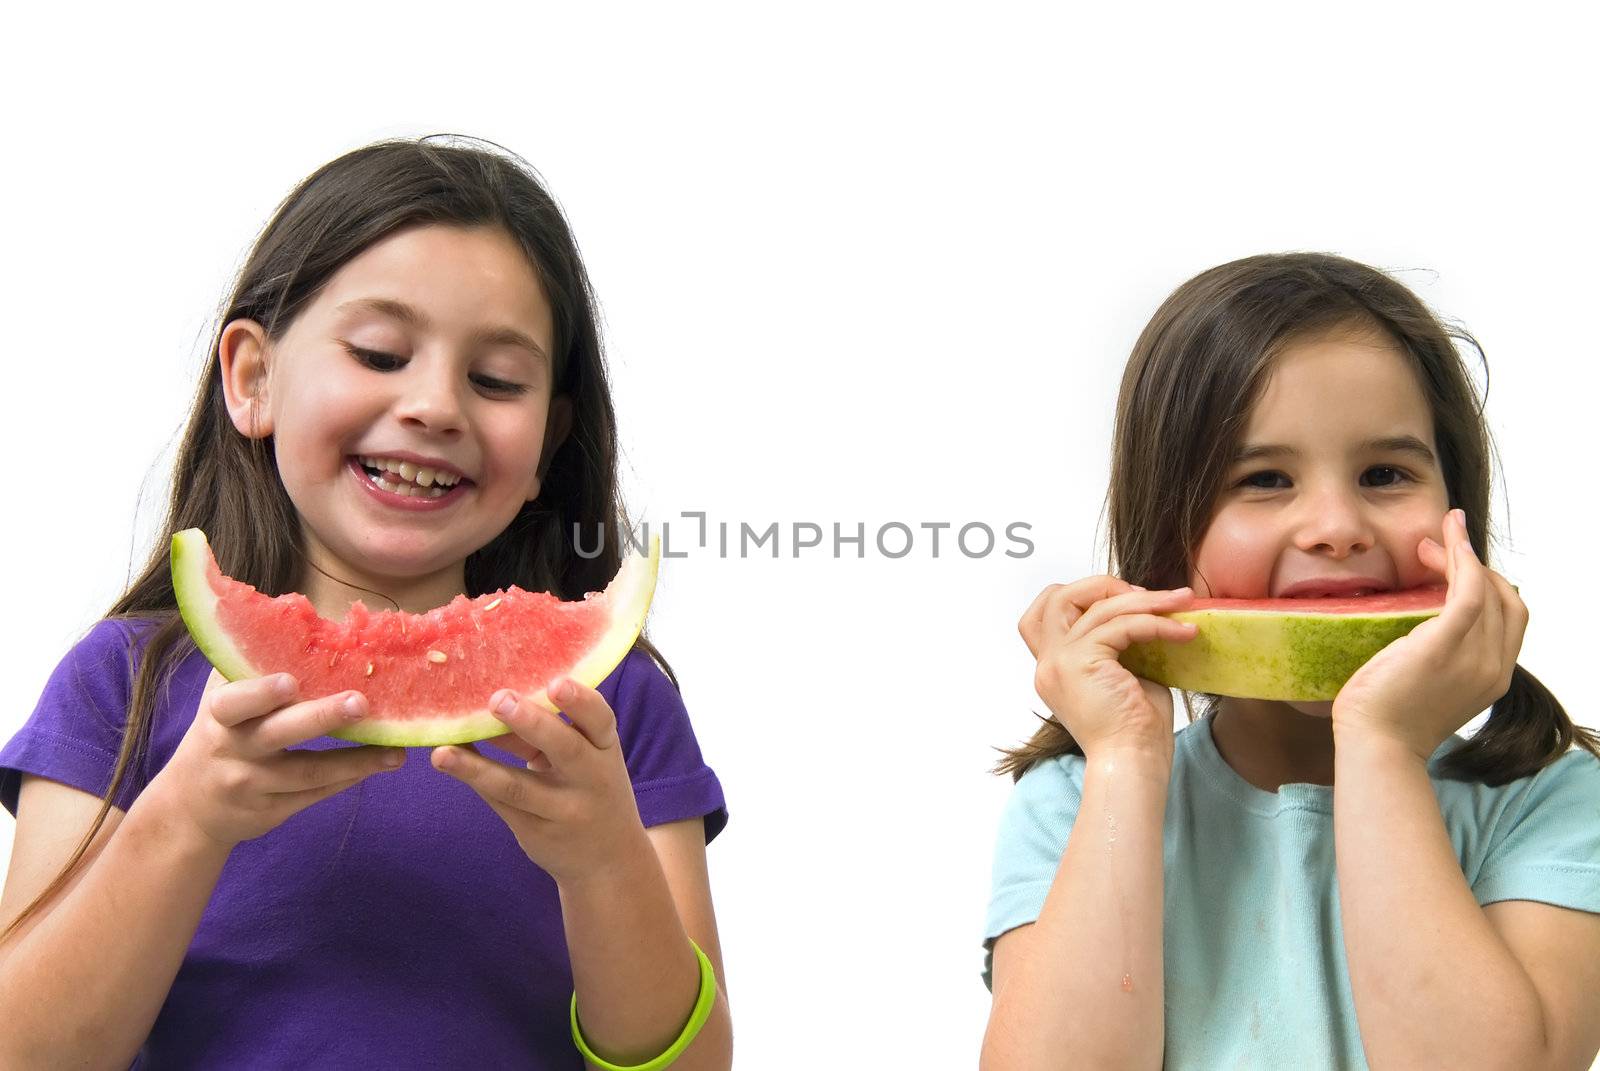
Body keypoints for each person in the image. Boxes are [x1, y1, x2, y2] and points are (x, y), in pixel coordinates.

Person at [0, 136, 731, 1071]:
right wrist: (184, 821)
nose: (434, 405)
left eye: (497, 380)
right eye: (382, 353)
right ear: (252, 378)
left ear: (549, 439)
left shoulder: (608, 705)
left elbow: (698, 1064)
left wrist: (603, 862)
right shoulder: (124, 680)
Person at [981, 252, 1600, 1070]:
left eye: (1385, 473)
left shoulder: (1549, 802)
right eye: (1266, 478)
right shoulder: (1077, 798)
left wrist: (1382, 745)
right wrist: (1126, 762)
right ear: (1169, 536)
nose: (1335, 525)